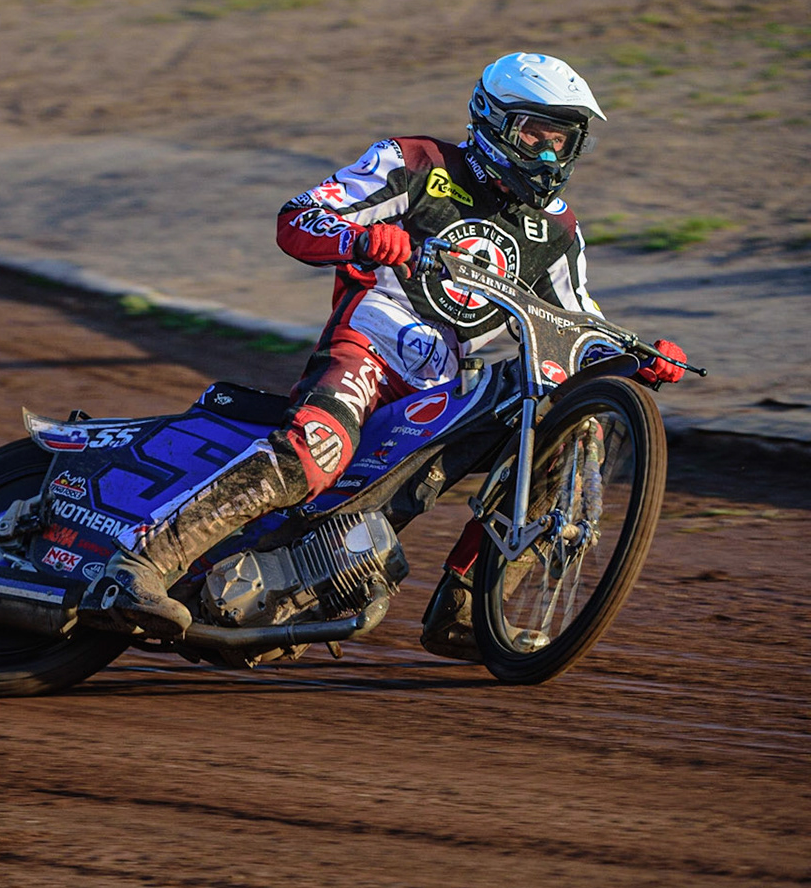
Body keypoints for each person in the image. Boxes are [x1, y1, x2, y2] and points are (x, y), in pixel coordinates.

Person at [89, 52, 686, 657]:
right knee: (314, 450)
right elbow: (298, 218)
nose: (549, 155)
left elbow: (578, 323)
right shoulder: (414, 162)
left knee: (562, 429)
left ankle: (466, 608)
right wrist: (361, 238)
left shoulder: (557, 229)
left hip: (444, 385)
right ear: (492, 119)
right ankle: (139, 565)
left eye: (562, 140)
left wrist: (633, 355)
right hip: (370, 345)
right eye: (535, 134)